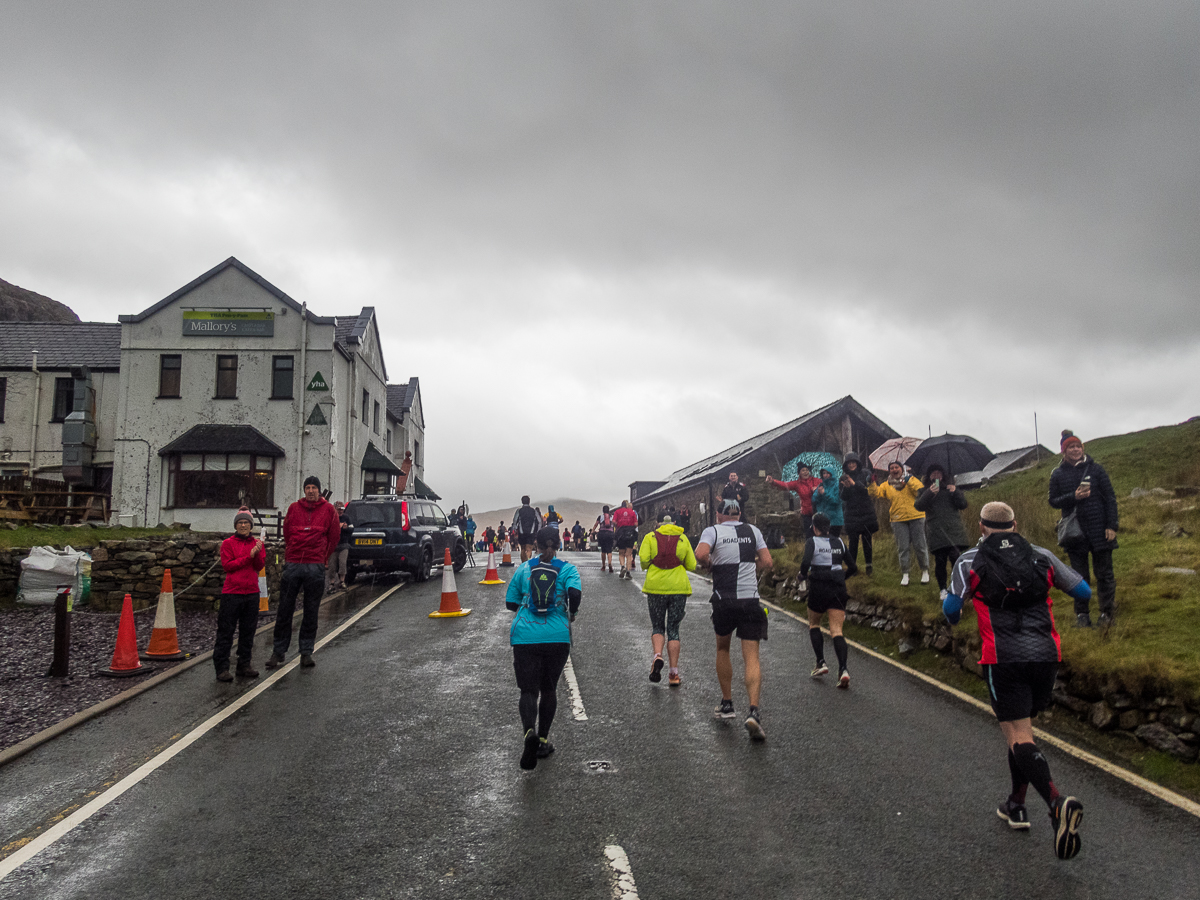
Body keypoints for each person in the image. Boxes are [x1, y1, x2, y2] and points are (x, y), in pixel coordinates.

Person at [943, 501, 1090, 860]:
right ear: (1015, 524)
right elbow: (1083, 592)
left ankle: (1056, 803)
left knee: (1017, 735)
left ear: (981, 527)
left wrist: (952, 600)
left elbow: (951, 612)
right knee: (1022, 732)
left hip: (1003, 657)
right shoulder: (1040, 554)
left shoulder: (969, 560)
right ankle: (1015, 805)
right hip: (1045, 655)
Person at [695, 499, 774, 741]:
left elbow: (700, 554)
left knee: (722, 648)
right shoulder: (753, 531)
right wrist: (752, 568)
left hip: (723, 599)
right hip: (750, 599)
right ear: (739, 514)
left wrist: (710, 565)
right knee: (752, 657)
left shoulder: (713, 530)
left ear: (719, 515)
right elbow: (768, 562)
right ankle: (754, 711)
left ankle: (727, 704)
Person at [505, 526, 583, 770]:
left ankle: (529, 732)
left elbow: (510, 602)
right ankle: (543, 740)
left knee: (528, 691)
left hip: (525, 636)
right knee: (549, 688)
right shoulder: (568, 569)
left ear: (536, 545)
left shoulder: (525, 568)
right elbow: (575, 594)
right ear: (558, 544)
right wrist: (570, 611)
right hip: (557, 637)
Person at [266, 475, 341, 670]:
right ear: (304, 490)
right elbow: (287, 532)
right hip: (293, 564)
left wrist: (322, 556)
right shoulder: (294, 508)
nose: (310, 491)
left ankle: (306, 652)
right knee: (284, 609)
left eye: (313, 488)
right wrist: (294, 552)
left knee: (311, 610)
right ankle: (278, 651)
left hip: (315, 565)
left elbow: (334, 537)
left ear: (319, 490)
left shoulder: (329, 510)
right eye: (307, 487)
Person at [1048, 430, 1119, 628]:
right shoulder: (1057, 474)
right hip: (1074, 533)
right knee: (1079, 577)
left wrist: (1112, 526)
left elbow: (1110, 499)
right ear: (1064, 451)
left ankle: (1107, 613)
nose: (1076, 450)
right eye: (1071, 447)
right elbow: (1053, 501)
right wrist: (1074, 497)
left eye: (1078, 446)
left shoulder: (1096, 470)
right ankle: (1082, 615)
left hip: (1100, 530)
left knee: (1104, 574)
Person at [638, 514, 698, 687]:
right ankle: (674, 673)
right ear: (674, 523)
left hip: (655, 587)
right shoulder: (683, 538)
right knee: (674, 629)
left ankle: (657, 655)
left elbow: (643, 560)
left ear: (657, 523)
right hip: (679, 588)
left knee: (657, 626)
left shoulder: (650, 537)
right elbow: (692, 565)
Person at [799, 512, 852, 687]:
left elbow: (806, 563)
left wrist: (801, 576)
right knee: (837, 630)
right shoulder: (839, 542)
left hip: (819, 586)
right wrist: (841, 578)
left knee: (814, 623)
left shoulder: (812, 542)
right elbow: (853, 566)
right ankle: (843, 669)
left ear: (814, 527)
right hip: (837, 586)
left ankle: (821, 662)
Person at [214, 508, 266, 682]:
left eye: (246, 523)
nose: (243, 525)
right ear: (236, 525)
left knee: (248, 632)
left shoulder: (257, 543)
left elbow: (258, 566)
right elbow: (228, 566)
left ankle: (244, 665)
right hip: (232, 593)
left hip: (251, 592)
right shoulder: (228, 544)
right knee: (226, 631)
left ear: (251, 526)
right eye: (240, 523)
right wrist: (249, 556)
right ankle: (221, 667)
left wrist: (257, 554)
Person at [914, 465, 970, 601]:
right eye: (933, 473)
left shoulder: (950, 488)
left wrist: (955, 491)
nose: (936, 475)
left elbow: (963, 504)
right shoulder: (924, 491)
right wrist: (929, 493)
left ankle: (959, 588)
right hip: (936, 531)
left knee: (956, 559)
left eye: (939, 472)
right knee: (940, 561)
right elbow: (919, 506)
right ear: (929, 476)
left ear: (943, 475)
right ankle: (943, 589)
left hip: (954, 531)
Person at [870, 462, 929, 586]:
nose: (894, 470)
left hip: (916, 516)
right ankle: (905, 574)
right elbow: (876, 493)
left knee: (920, 546)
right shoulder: (887, 485)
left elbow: (920, 492)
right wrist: (871, 483)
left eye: (896, 467)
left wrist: (909, 481)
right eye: (891, 468)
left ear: (902, 469)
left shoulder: (912, 479)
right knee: (903, 548)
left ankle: (925, 571)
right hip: (898, 519)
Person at [839, 452, 878, 576]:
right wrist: (846, 487)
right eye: (849, 463)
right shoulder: (843, 478)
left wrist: (855, 484)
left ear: (857, 463)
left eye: (853, 462)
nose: (851, 465)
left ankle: (869, 567)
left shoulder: (866, 473)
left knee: (867, 541)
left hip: (866, 512)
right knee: (853, 542)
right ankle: (852, 567)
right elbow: (843, 497)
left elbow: (868, 492)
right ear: (846, 465)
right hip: (851, 514)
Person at [766, 464, 821, 538]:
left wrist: (818, 490)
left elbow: (827, 488)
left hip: (819, 511)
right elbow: (785, 485)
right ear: (799, 473)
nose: (805, 472)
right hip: (806, 513)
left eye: (807, 470)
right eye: (803, 470)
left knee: (820, 533)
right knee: (809, 534)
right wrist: (773, 481)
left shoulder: (817, 481)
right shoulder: (797, 484)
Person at [811, 467, 844, 537]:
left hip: (835, 521)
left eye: (828, 473)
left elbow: (836, 501)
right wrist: (819, 494)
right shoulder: (821, 485)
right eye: (824, 473)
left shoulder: (837, 485)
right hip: (823, 520)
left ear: (832, 474)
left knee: (834, 542)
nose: (825, 475)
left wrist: (824, 493)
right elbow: (813, 499)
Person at [326, 501, 350, 593]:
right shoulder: (331, 518)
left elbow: (351, 529)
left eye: (342, 509)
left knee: (343, 563)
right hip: (333, 546)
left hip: (343, 545)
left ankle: (342, 582)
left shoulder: (346, 518)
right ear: (335, 509)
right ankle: (331, 584)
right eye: (339, 509)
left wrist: (346, 528)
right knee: (332, 565)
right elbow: (327, 530)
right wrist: (337, 527)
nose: (341, 511)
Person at [613, 500, 639, 579]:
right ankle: (628, 572)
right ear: (627, 505)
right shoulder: (632, 512)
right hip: (630, 533)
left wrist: (618, 526)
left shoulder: (617, 512)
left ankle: (622, 567)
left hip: (621, 533)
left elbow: (613, 521)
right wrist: (631, 528)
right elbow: (636, 524)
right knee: (629, 554)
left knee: (621, 553)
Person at [513, 495, 542, 562]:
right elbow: (539, 521)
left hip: (521, 533)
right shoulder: (534, 511)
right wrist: (538, 531)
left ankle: (524, 563)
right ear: (529, 502)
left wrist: (515, 529)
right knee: (529, 549)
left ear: (522, 502)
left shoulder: (519, 511)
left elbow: (515, 521)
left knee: (523, 549)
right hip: (531, 533)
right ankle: (528, 562)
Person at [597, 505, 617, 573]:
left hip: (602, 534)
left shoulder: (600, 517)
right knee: (609, 550)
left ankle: (603, 566)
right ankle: (609, 563)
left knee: (603, 550)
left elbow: (596, 524)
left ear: (603, 511)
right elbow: (615, 525)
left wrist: (593, 531)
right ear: (609, 510)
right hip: (610, 534)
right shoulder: (612, 517)